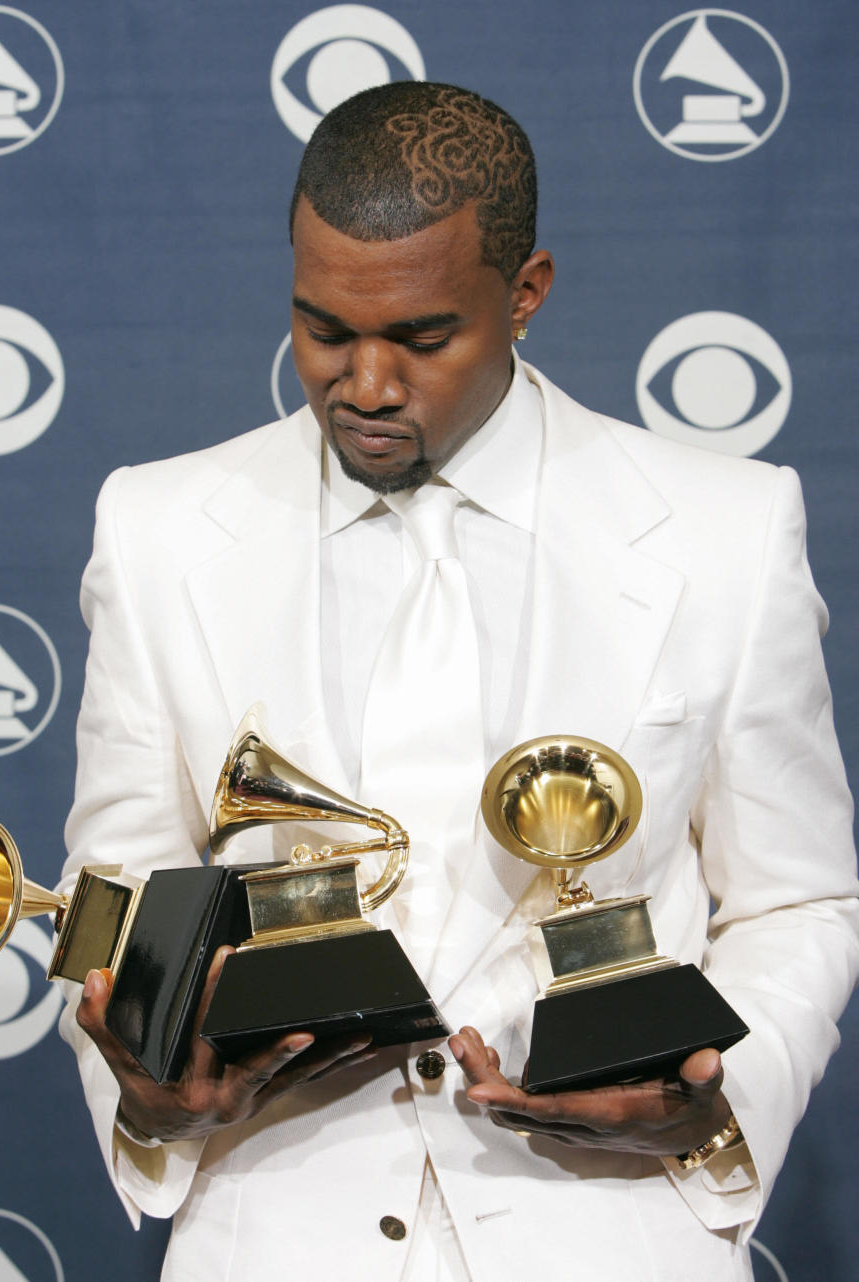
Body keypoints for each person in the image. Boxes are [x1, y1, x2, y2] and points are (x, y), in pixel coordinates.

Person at [57, 82, 858, 1281]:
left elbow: (796, 900)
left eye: (423, 338)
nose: (365, 382)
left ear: (526, 293)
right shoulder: (158, 525)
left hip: (615, 1234)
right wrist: (154, 1090)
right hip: (271, 1234)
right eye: (323, 328)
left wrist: (713, 1098)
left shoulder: (724, 530)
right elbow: (112, 885)